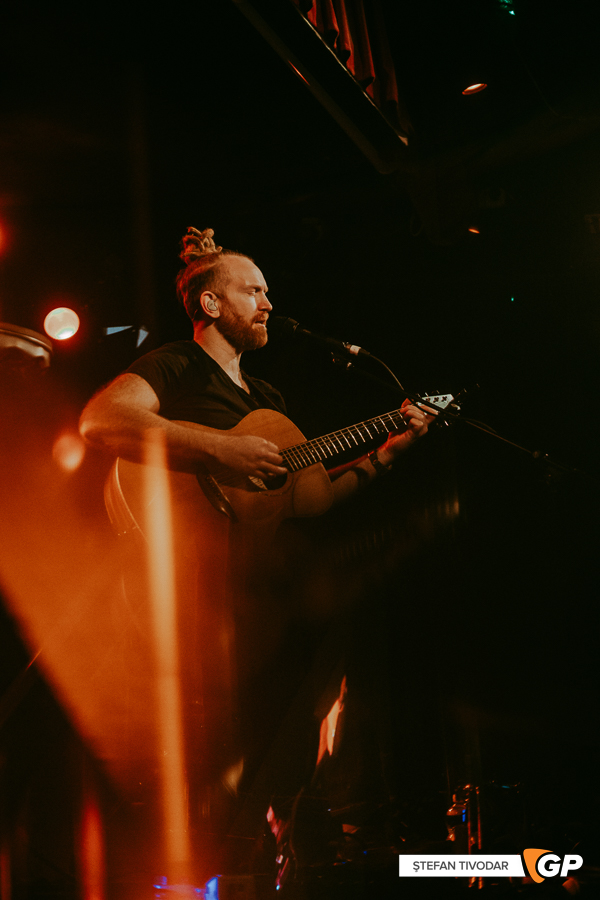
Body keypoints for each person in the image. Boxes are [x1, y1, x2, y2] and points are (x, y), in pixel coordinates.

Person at [79, 226, 433, 494]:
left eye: (265, 293)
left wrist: (388, 452)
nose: (268, 305)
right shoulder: (180, 362)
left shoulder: (267, 398)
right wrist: (221, 448)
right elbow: (101, 419)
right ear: (211, 304)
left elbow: (308, 497)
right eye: (253, 292)